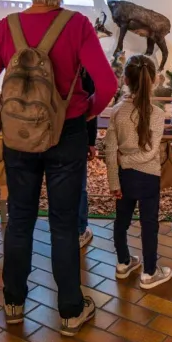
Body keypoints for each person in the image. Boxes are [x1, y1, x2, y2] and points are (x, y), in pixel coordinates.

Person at [0, 0, 118, 337]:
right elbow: (108, 85)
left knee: (19, 219)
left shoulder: (6, 28)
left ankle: (13, 303)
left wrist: (2, 114)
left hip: (19, 137)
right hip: (66, 135)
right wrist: (85, 114)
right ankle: (70, 310)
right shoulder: (78, 26)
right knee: (64, 224)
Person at [105, 54, 172, 289]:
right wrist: (128, 161)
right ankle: (149, 273)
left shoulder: (116, 111)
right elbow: (151, 153)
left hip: (124, 178)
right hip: (149, 178)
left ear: (125, 79)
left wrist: (115, 180)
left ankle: (123, 263)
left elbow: (110, 150)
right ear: (153, 80)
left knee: (121, 221)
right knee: (149, 224)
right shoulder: (158, 114)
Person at [79, 68, 97, 249]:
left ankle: (60, 229)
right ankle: (79, 230)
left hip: (43, 131)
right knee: (78, 185)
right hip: (75, 131)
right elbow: (95, 99)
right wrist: (91, 140)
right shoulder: (83, 68)